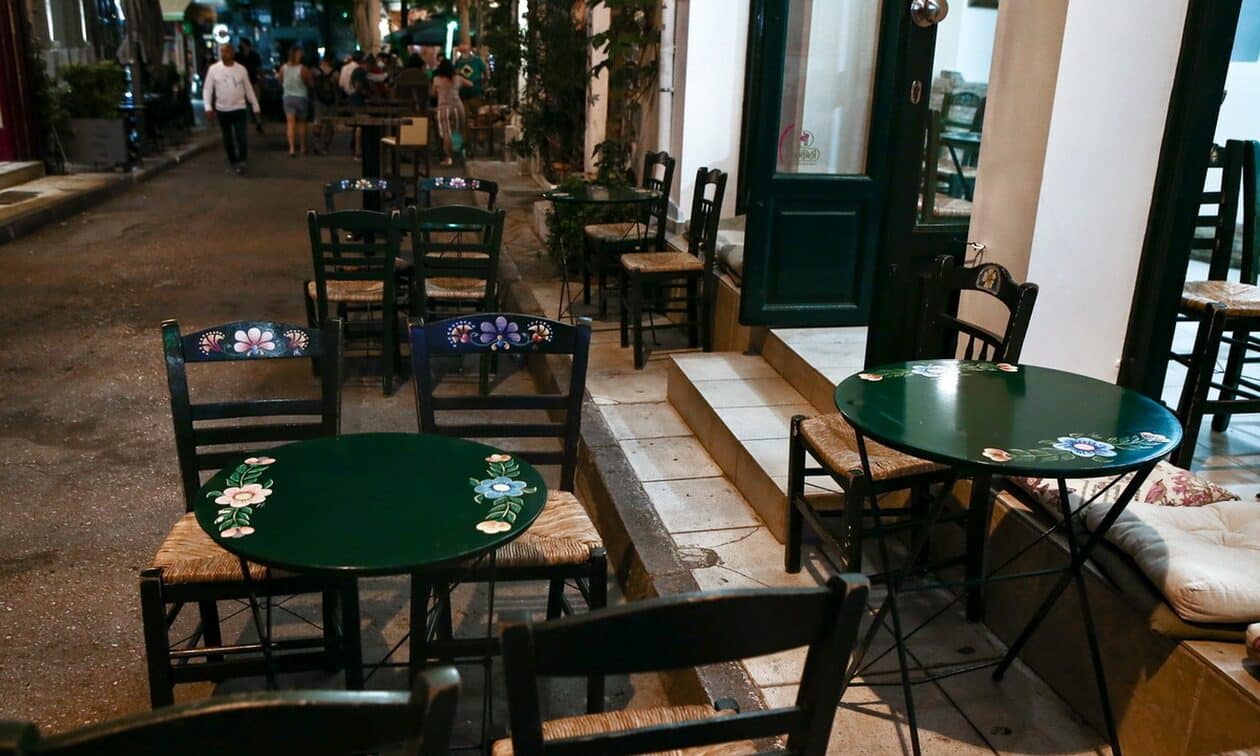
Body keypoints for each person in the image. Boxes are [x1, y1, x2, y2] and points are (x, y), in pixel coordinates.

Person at [203, 43, 261, 175]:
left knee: (241, 136)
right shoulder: (214, 69)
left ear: (233, 54)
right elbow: (207, 89)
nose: (224, 54)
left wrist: (255, 105)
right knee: (227, 137)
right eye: (222, 52)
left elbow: (248, 89)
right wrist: (208, 106)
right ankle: (233, 160)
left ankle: (242, 161)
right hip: (222, 109)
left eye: (227, 52)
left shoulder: (241, 70)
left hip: (239, 108)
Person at [431, 58, 471, 166]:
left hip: (444, 108)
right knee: (458, 132)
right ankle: (460, 154)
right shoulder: (457, 79)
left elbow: (433, 94)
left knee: (446, 134)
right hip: (458, 108)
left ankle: (448, 158)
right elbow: (470, 84)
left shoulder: (436, 80)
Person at [279, 46, 314, 156]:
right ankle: (302, 147)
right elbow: (311, 84)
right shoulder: (303, 69)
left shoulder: (283, 68)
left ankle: (292, 148)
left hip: (287, 97)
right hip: (301, 97)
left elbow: (280, 81)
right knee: (302, 123)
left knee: (290, 123)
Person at [311, 52, 339, 154]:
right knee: (330, 123)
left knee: (318, 122)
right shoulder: (335, 72)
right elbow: (337, 85)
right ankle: (325, 146)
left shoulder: (315, 70)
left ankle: (316, 143)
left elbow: (311, 84)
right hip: (332, 100)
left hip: (319, 99)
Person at [236, 38, 264, 134]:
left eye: (241, 43)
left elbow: (259, 68)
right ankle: (245, 123)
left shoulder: (254, 55)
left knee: (255, 102)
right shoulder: (238, 55)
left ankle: (258, 122)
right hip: (242, 82)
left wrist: (262, 80)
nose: (240, 45)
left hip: (253, 81)